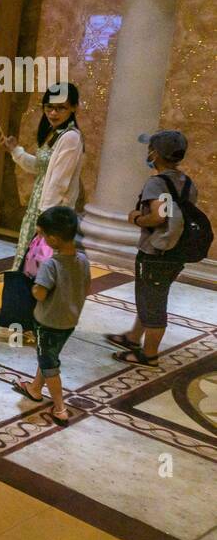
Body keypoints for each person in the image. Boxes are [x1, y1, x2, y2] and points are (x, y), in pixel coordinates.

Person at [107, 130, 199, 368]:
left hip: (155, 253)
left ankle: (149, 355)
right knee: (150, 296)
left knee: (154, 302)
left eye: (150, 148)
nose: (148, 152)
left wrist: (137, 218)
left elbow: (159, 216)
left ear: (156, 154)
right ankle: (134, 338)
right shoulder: (188, 183)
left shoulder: (157, 183)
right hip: (176, 253)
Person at [13, 206, 89, 425]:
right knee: (48, 354)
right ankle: (35, 389)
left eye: (43, 235)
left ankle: (60, 407)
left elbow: (40, 293)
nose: (42, 238)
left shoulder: (50, 265)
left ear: (53, 239)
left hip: (48, 322)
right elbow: (86, 287)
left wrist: (34, 288)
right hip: (69, 321)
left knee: (49, 364)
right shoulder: (82, 260)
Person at [3, 82, 84, 270]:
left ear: (73, 108)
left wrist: (44, 219)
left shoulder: (70, 137)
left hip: (51, 211)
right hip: (39, 205)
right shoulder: (54, 132)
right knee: (30, 260)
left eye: (60, 108)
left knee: (41, 264)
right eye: (49, 108)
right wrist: (15, 150)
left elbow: (59, 182)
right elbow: (41, 168)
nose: (53, 113)